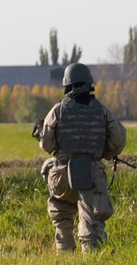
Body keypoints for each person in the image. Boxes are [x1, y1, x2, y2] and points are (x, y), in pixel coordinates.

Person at [37, 62, 126, 252]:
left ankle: (65, 253)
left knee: (61, 214)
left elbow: (46, 144)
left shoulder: (57, 110)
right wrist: (105, 154)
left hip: (61, 174)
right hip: (92, 172)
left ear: (66, 85)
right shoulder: (102, 110)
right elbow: (118, 140)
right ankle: (91, 258)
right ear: (89, 83)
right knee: (91, 218)